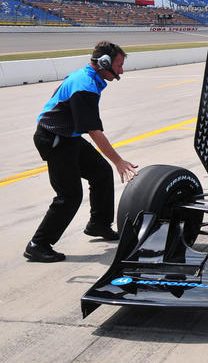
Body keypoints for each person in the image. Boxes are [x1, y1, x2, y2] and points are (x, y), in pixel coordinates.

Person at [24, 41, 139, 262]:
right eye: (119, 65)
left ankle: (98, 224)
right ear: (104, 63)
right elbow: (94, 131)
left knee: (101, 173)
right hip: (55, 139)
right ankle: (38, 244)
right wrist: (119, 161)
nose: (121, 71)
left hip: (69, 136)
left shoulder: (90, 78)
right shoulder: (85, 85)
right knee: (69, 195)